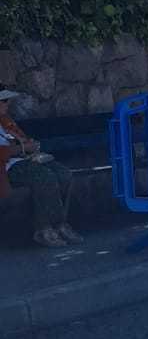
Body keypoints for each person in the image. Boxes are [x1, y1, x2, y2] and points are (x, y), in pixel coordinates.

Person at [0, 89, 81, 247]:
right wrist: (24, 148)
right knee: (44, 177)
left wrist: (29, 145)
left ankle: (59, 225)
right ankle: (44, 229)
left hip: (25, 160)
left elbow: (19, 140)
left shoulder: (5, 121)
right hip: (6, 168)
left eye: (7, 100)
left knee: (64, 174)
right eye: (3, 101)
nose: (7, 103)